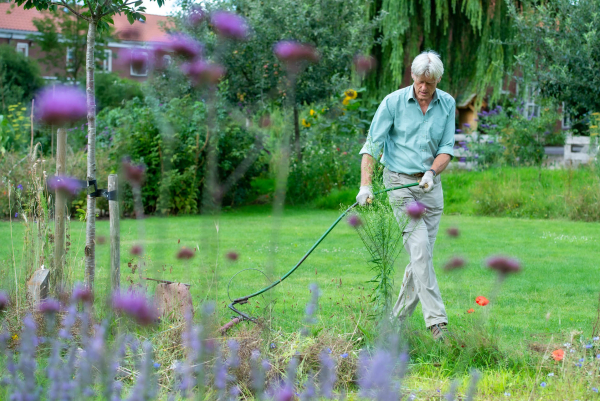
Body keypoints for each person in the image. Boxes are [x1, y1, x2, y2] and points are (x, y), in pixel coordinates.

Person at [356, 50, 455, 340]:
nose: (424, 89)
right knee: (420, 250)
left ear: (437, 81)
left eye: (431, 84)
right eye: (420, 82)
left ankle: (394, 326)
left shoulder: (447, 104)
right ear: (412, 76)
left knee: (419, 260)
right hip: (399, 185)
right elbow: (372, 145)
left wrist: (431, 173)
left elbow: (446, 148)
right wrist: (366, 185)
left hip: (429, 187)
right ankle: (437, 323)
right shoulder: (393, 103)